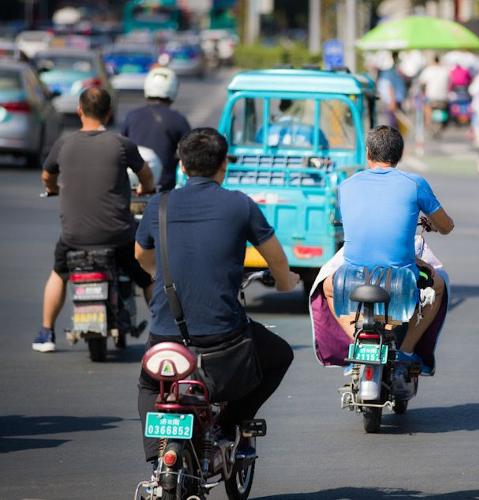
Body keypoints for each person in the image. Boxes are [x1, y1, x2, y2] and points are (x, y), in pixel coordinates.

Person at [134, 128, 299, 464]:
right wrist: (285, 284)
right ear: (224, 164)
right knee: (280, 356)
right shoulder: (240, 204)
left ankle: (156, 458)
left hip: (167, 338)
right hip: (224, 342)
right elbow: (277, 260)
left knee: (150, 386)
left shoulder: (158, 205)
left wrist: (161, 273)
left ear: (181, 164)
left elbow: (141, 256)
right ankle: (228, 425)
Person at [322, 126, 454, 379]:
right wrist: (434, 224)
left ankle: (355, 343)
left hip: (350, 279)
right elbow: (446, 226)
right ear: (399, 155)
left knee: (326, 286)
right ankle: (406, 350)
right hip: (401, 282)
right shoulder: (414, 183)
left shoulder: (346, 185)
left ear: (368, 153)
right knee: (437, 285)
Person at [34, 88, 155, 352]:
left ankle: (46, 333)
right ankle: (163, 333)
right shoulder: (122, 144)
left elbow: (46, 176)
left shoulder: (63, 144)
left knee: (58, 273)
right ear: (109, 113)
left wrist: (53, 187)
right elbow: (146, 176)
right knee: (145, 276)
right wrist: (146, 188)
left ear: (79, 110)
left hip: (73, 238)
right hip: (118, 236)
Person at [121, 67, 191, 192]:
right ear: (173, 89)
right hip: (165, 187)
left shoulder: (132, 116)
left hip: (132, 184)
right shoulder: (178, 120)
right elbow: (190, 154)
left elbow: (122, 146)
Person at [418, 56, 451, 128]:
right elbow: (450, 82)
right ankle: (444, 123)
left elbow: (422, 82)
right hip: (443, 97)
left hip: (431, 96)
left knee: (427, 107)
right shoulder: (445, 70)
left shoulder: (428, 70)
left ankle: (428, 122)